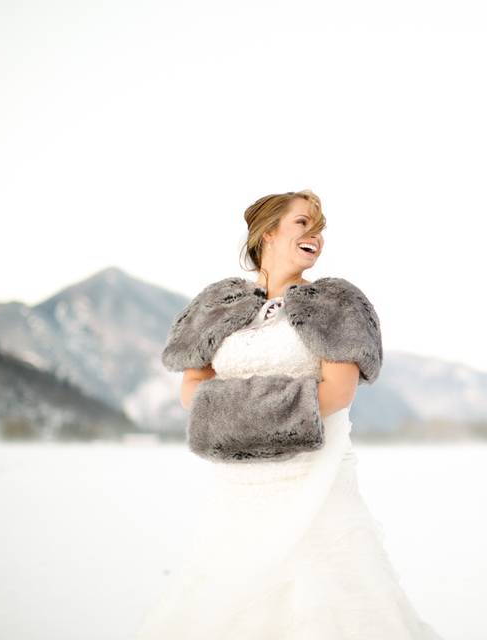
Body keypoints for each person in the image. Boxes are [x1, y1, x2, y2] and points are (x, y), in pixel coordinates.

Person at [133, 190, 444, 639]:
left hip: (313, 480)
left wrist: (230, 413)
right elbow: (191, 392)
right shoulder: (215, 307)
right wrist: (248, 412)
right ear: (267, 233)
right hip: (239, 490)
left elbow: (336, 394)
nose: (315, 236)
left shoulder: (336, 303)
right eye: (303, 224)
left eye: (321, 229)